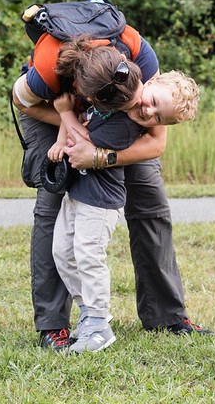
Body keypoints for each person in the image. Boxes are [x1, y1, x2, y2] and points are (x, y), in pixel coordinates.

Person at [12, 0, 208, 353]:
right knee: (53, 203)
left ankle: (166, 315)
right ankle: (54, 325)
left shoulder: (142, 63)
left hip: (105, 126)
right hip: (51, 112)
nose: (142, 108)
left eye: (144, 102)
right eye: (139, 104)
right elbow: (22, 101)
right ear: (85, 92)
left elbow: (154, 142)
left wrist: (99, 156)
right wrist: (71, 122)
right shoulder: (47, 71)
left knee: (149, 202)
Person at [48, 41, 144, 353]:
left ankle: (99, 323)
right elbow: (77, 126)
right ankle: (89, 313)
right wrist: (64, 130)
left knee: (89, 256)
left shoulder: (126, 122)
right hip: (78, 193)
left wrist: (64, 114)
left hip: (101, 201)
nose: (137, 104)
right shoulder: (107, 99)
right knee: (63, 253)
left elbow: (84, 141)